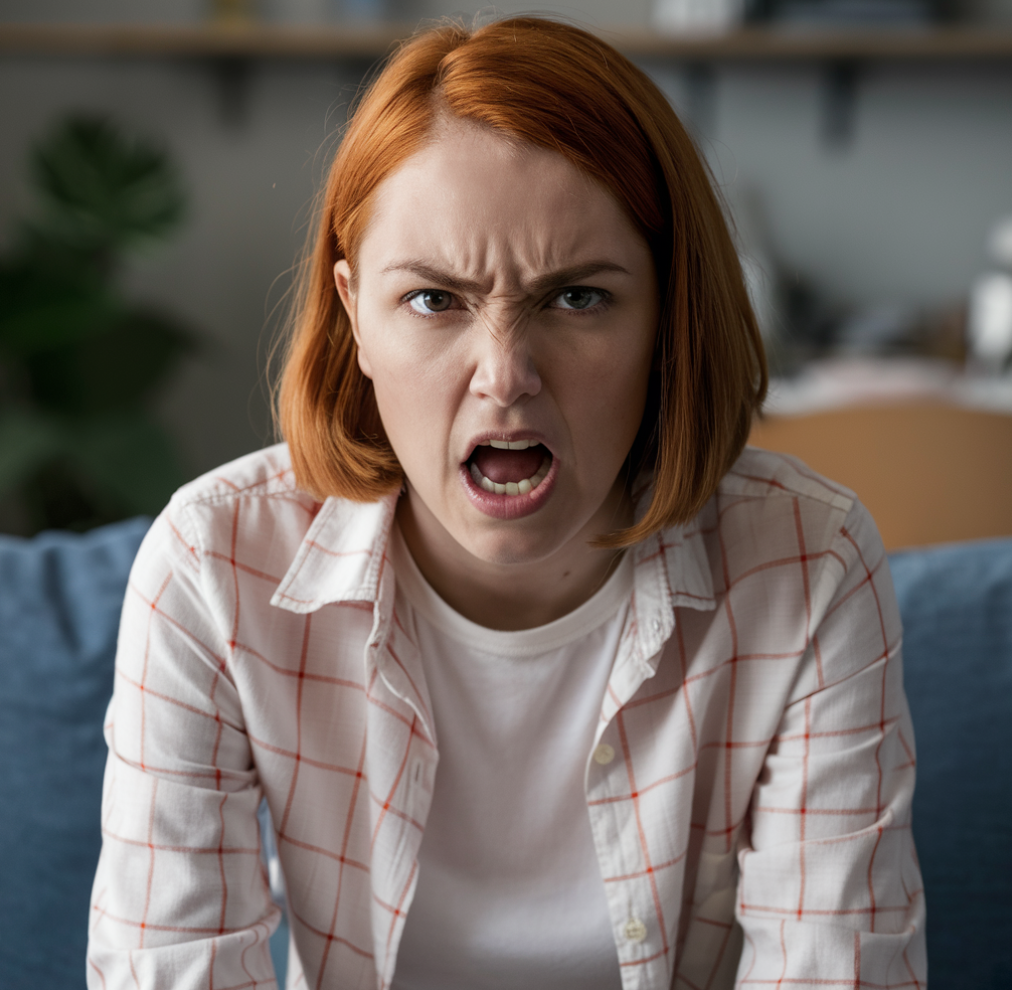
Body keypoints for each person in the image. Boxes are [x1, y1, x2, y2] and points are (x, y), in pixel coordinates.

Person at [86, 16, 926, 990]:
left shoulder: (807, 559)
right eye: (435, 300)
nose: (505, 376)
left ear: (669, 313)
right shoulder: (212, 564)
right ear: (354, 315)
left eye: (576, 298)